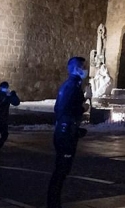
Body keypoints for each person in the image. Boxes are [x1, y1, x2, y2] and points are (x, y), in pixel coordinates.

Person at [47, 56, 89, 208]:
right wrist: (83, 108)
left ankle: (54, 202)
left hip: (65, 131)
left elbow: (60, 109)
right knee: (61, 171)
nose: (85, 69)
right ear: (76, 69)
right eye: (83, 66)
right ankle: (53, 204)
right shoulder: (72, 86)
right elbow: (65, 109)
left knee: (62, 170)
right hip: (66, 134)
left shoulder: (72, 85)